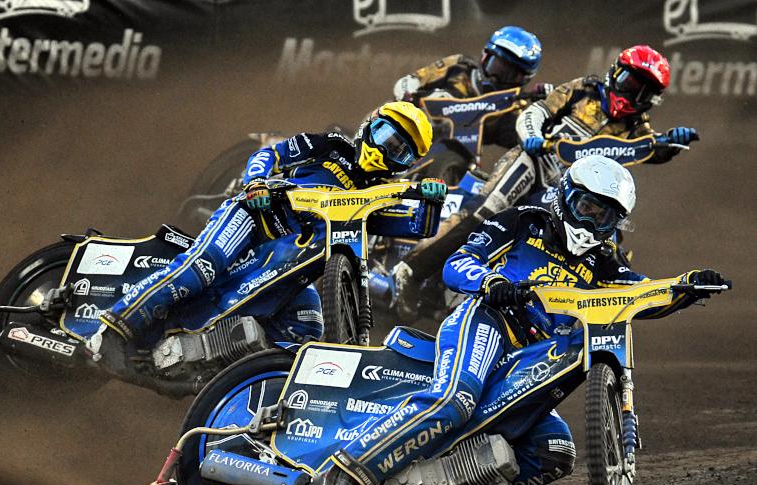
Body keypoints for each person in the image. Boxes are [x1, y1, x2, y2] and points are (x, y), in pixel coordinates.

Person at [318, 155, 724, 485]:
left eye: (604, 217)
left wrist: (684, 286)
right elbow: (457, 263)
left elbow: (640, 294)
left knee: (555, 450)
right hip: (488, 321)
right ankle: (345, 473)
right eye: (586, 207)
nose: (591, 222)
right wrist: (491, 281)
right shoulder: (523, 221)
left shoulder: (605, 262)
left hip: (530, 357)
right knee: (455, 399)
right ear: (565, 196)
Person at [87, 102, 444, 376]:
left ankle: (224, 381)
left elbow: (417, 228)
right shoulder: (332, 146)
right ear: (370, 127)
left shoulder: (378, 198)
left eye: (399, 151)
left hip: (293, 261)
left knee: (307, 327)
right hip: (256, 217)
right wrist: (256, 182)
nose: (385, 151)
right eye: (386, 137)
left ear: (407, 164)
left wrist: (432, 202)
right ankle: (113, 329)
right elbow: (270, 153)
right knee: (201, 269)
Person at [391, 45, 699, 319]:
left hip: (570, 192)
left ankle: (569, 316)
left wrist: (670, 144)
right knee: (487, 210)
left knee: (602, 242)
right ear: (615, 73)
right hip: (535, 161)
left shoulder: (638, 128)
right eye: (629, 82)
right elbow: (539, 110)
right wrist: (532, 136)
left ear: (651, 100)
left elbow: (651, 149)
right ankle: (411, 270)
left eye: (642, 91)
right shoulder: (583, 90)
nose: (632, 94)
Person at [393, 25, 547, 151]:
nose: (496, 79)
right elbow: (409, 80)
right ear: (485, 57)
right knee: (441, 97)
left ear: (524, 79)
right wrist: (408, 97)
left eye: (510, 76)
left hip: (456, 156)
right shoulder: (459, 66)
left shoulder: (511, 109)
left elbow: (528, 136)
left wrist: (545, 108)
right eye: (496, 68)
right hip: (414, 127)